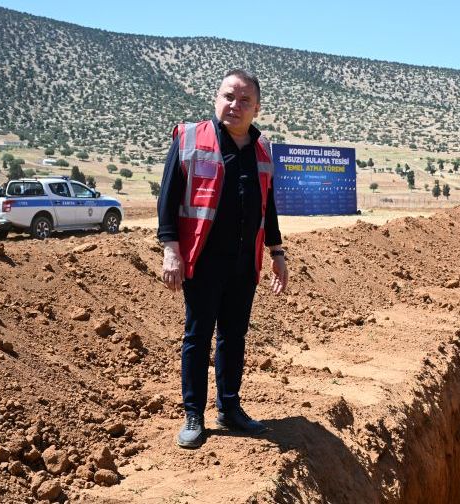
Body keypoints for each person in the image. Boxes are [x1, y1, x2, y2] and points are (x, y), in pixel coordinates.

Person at [157, 69, 288, 449]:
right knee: (198, 335)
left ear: (257, 108)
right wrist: (171, 250)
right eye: (229, 97)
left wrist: (276, 252)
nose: (235, 105)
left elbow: (269, 206)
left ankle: (229, 407)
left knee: (234, 336)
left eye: (244, 100)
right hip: (204, 259)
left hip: (244, 261)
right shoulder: (190, 138)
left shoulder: (262, 148)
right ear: (217, 99)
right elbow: (167, 198)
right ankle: (194, 414)